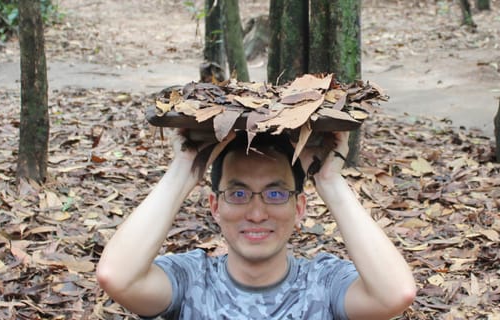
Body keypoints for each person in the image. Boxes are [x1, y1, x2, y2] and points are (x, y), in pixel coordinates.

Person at [96, 129, 416, 319]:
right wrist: (185, 167)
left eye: (276, 194)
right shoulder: (192, 279)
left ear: (299, 207)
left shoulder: (323, 283)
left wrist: (329, 180)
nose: (257, 213)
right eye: (238, 194)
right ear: (215, 206)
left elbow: (395, 294)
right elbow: (118, 278)